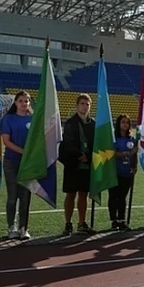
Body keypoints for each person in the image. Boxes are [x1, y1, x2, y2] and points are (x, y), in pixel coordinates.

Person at [60, 94, 95, 236]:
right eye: (82, 103)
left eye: (87, 104)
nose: (85, 106)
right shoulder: (70, 123)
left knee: (83, 194)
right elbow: (67, 143)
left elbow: (97, 143)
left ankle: (82, 223)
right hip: (73, 164)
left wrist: (89, 156)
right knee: (70, 194)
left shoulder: (93, 124)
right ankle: (68, 224)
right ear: (77, 105)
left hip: (87, 164)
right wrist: (78, 155)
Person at [0, 91, 33, 240]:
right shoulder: (8, 119)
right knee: (12, 196)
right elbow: (6, 141)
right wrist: (23, 151)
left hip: (28, 164)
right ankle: (11, 227)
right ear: (15, 102)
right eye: (21, 101)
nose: (24, 103)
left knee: (25, 197)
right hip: (11, 162)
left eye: (26, 101)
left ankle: (23, 228)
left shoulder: (34, 119)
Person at [109, 115, 136, 231]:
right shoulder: (114, 138)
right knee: (113, 196)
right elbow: (113, 154)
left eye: (127, 122)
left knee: (122, 197)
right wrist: (127, 153)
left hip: (127, 173)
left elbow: (135, 155)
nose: (125, 124)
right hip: (114, 172)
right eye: (123, 122)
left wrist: (135, 166)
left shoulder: (132, 139)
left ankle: (122, 220)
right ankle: (113, 220)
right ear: (118, 124)